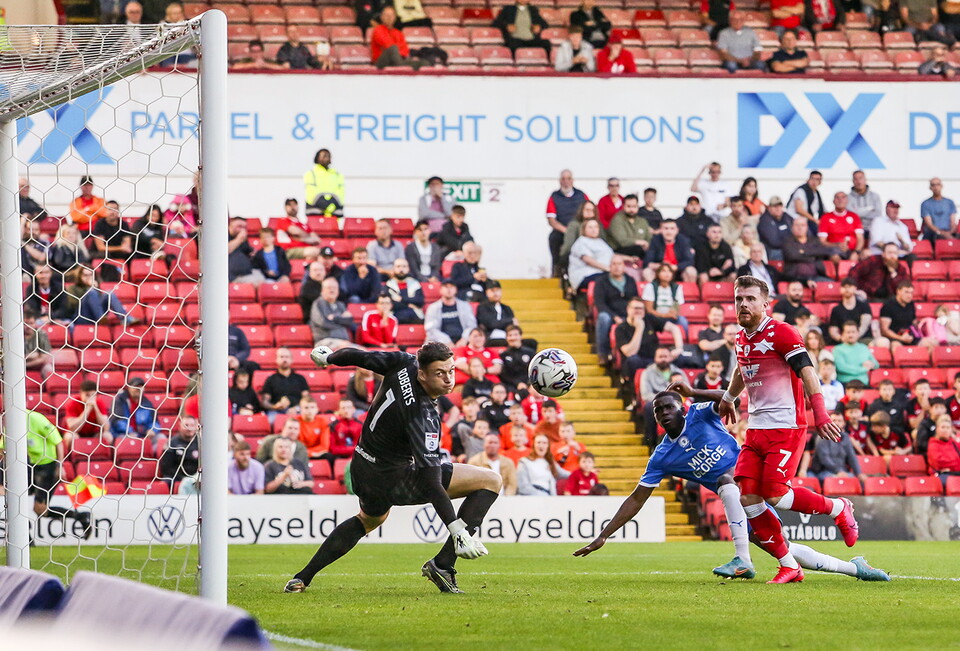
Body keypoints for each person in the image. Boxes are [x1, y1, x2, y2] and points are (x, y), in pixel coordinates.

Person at [574, 387, 889, 583]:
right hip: (743, 505)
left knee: (729, 481)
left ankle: (743, 561)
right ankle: (855, 569)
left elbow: (730, 399)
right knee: (785, 551)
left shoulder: (700, 414)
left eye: (669, 406)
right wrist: (603, 535)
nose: (664, 413)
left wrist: (692, 391)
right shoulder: (662, 456)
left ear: (682, 408)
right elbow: (636, 499)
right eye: (659, 410)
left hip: (750, 480)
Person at [286, 343, 501, 594]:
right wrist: (457, 530)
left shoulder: (403, 362)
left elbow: (359, 356)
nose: (448, 379)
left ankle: (303, 577)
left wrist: (330, 358)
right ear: (423, 374)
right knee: (491, 481)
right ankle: (443, 564)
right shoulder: (424, 416)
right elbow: (431, 482)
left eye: (451, 370)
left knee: (368, 519)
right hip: (394, 479)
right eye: (439, 373)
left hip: (362, 467)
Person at [718, 275, 858, 583]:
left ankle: (838, 506)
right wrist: (729, 397)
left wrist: (820, 413)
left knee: (776, 495)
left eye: (750, 299)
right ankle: (789, 565)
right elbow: (743, 369)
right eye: (739, 298)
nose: (743, 304)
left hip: (787, 425)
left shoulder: (781, 332)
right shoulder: (742, 338)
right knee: (748, 497)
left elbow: (808, 371)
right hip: (756, 428)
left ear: (765, 304)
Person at [0, 411, 92, 539]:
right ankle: (23, 535)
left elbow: (58, 441)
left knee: (40, 509)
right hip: (31, 466)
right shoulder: (10, 425)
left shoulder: (35, 418)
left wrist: (60, 466)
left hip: (48, 466)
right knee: (16, 496)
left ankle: (80, 517)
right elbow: (2, 448)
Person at [616, 297, 684, 388]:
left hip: (654, 359)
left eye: (641, 308)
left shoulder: (649, 319)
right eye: (636, 308)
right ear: (628, 309)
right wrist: (639, 328)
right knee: (632, 360)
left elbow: (674, 328)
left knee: (678, 358)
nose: (639, 311)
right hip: (637, 361)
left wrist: (679, 348)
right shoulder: (621, 328)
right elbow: (629, 352)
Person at [593, 255, 639, 363]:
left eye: (619, 264)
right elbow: (600, 304)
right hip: (610, 314)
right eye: (614, 264)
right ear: (609, 266)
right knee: (603, 318)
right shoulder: (601, 281)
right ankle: (603, 354)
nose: (616, 267)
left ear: (624, 266)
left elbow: (635, 299)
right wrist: (615, 317)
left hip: (628, 313)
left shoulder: (630, 280)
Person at [545, 169, 589, 276]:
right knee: (554, 239)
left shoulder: (581, 195)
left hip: (580, 231)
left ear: (572, 180)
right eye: (563, 179)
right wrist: (567, 231)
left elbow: (589, 212)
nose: (566, 181)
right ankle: (557, 269)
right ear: (560, 181)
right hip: (561, 231)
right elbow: (551, 220)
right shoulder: (554, 196)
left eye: (568, 178)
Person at [640, 346, 684, 445]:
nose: (663, 359)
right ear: (655, 358)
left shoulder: (679, 372)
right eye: (660, 356)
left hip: (678, 402)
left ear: (670, 358)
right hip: (657, 404)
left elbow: (689, 392)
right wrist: (664, 401)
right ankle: (652, 442)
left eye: (665, 356)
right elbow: (646, 395)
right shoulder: (647, 373)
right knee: (648, 407)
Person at [65, 265, 135, 326]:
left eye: (90, 275)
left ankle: (126, 319)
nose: (88, 277)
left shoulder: (95, 287)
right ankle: (100, 318)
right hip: (82, 316)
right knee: (91, 293)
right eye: (85, 275)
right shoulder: (73, 288)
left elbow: (98, 303)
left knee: (109, 293)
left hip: (95, 315)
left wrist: (95, 288)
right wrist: (89, 290)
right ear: (80, 276)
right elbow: (73, 305)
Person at [782, 216, 840, 283]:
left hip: (816, 276)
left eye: (802, 225)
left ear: (807, 228)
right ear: (792, 227)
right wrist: (812, 256)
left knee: (833, 285)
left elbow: (822, 251)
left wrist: (803, 252)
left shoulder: (814, 241)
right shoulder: (787, 242)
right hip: (796, 279)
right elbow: (792, 256)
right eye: (797, 225)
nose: (799, 228)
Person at [878, 280, 932, 351]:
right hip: (895, 337)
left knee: (930, 345)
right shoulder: (888, 305)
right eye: (906, 292)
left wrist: (921, 324)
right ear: (898, 291)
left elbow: (914, 322)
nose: (909, 295)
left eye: (911, 293)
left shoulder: (911, 304)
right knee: (897, 348)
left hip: (909, 335)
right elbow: (884, 330)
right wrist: (900, 338)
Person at [260, 348, 311, 416]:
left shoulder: (300, 379)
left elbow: (307, 399)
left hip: (298, 410)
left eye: (287, 357)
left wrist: (296, 408)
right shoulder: (270, 380)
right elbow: (265, 402)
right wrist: (275, 407)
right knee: (271, 421)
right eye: (281, 357)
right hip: (276, 412)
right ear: (276, 360)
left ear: (291, 360)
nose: (284, 359)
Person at [424, 280, 477, 346]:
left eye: (451, 287)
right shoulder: (433, 308)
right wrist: (446, 341)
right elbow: (431, 329)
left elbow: (471, 325)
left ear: (456, 290)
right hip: (439, 344)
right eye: (446, 287)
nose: (449, 290)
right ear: (440, 290)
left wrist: (464, 339)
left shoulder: (465, 306)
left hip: (463, 342)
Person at [309, 276, 356, 349]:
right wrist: (342, 320)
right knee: (347, 349)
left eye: (334, 288)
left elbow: (349, 321)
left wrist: (334, 318)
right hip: (325, 342)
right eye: (329, 288)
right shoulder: (318, 303)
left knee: (364, 352)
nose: (332, 290)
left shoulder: (341, 305)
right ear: (322, 291)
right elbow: (323, 323)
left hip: (343, 342)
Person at [568, 219, 614, 293]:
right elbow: (588, 260)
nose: (594, 230)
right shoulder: (581, 241)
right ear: (584, 229)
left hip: (603, 273)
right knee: (611, 279)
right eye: (590, 227)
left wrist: (630, 258)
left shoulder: (601, 242)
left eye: (596, 227)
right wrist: (608, 269)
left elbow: (613, 256)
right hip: (585, 275)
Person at [109, 377, 159, 443]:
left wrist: (151, 430)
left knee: (160, 438)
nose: (138, 389)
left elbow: (154, 421)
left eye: (141, 387)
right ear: (129, 388)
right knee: (124, 440)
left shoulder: (147, 403)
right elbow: (117, 421)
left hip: (142, 434)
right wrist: (129, 431)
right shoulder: (119, 400)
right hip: (122, 433)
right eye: (136, 387)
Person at [642, 263, 687, 332]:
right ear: (658, 273)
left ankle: (687, 340)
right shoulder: (650, 286)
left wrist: (671, 314)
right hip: (655, 316)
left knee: (683, 320)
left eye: (669, 271)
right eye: (663, 271)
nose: (667, 274)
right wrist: (664, 315)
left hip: (671, 316)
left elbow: (676, 308)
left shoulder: (676, 288)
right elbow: (649, 310)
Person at [605, 194, 651, 258]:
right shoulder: (617, 219)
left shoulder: (642, 221)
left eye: (634, 206)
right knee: (638, 249)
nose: (631, 209)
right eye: (629, 206)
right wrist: (640, 242)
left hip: (640, 250)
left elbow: (649, 238)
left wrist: (647, 245)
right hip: (619, 251)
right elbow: (622, 241)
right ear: (623, 206)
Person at [827, 278, 872, 344]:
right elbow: (833, 329)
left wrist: (854, 337)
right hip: (844, 341)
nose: (847, 289)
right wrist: (840, 338)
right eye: (844, 287)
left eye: (850, 286)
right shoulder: (836, 309)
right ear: (840, 289)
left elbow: (864, 325)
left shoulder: (864, 306)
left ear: (855, 288)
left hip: (863, 339)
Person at [304, 148, 345, 218]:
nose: (326, 158)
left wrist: (331, 207)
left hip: (333, 215)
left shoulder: (337, 175)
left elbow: (340, 193)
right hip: (316, 213)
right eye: (324, 156)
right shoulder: (311, 173)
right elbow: (311, 193)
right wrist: (323, 205)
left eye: (328, 156)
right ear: (317, 158)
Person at [160, 416, 200, 483]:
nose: (189, 428)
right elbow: (166, 468)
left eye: (192, 425)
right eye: (186, 425)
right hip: (177, 478)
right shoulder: (172, 443)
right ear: (180, 427)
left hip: (197, 478)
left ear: (196, 427)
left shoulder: (201, 443)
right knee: (166, 481)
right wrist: (183, 478)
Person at [385, 258, 425, 324]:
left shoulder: (415, 284)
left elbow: (420, 301)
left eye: (404, 266)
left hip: (415, 316)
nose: (401, 269)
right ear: (393, 268)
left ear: (408, 268)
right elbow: (392, 305)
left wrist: (402, 299)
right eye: (398, 266)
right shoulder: (388, 285)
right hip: (396, 317)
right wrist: (410, 304)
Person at [926, 415, 960, 486]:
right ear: (937, 429)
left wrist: (951, 468)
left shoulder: (954, 444)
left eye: (948, 427)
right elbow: (940, 462)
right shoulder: (933, 444)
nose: (945, 430)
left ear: (951, 430)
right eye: (943, 427)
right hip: (941, 476)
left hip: (955, 473)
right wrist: (956, 464)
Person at [920, 177, 957, 241]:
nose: (936, 187)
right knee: (938, 237)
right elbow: (929, 225)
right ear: (930, 188)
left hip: (948, 232)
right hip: (933, 234)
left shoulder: (949, 202)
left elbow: (953, 222)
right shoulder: (925, 204)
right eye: (933, 185)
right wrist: (943, 234)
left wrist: (950, 233)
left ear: (941, 186)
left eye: (938, 184)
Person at [757, 196, 793, 261]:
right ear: (769, 208)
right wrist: (791, 243)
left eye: (780, 206)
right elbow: (774, 242)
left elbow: (797, 229)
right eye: (775, 206)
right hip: (773, 251)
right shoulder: (765, 220)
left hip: (788, 247)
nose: (778, 208)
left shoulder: (786, 216)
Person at [228, 218, 261, 285]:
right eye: (239, 226)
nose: (242, 230)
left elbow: (248, 251)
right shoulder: (223, 236)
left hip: (247, 273)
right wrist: (239, 239)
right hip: (233, 277)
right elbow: (224, 251)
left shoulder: (243, 240)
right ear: (230, 225)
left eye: (244, 227)